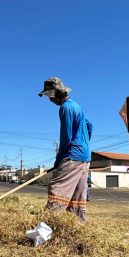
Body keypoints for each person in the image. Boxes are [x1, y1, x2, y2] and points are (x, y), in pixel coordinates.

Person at [38, 77, 93, 222]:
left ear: (55, 94)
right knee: (77, 194)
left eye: (49, 96)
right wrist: (84, 144)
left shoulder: (66, 108)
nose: (49, 100)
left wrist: (58, 160)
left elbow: (66, 138)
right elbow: (90, 125)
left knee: (58, 188)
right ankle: (77, 226)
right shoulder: (76, 106)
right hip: (84, 157)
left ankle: (47, 226)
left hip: (72, 155)